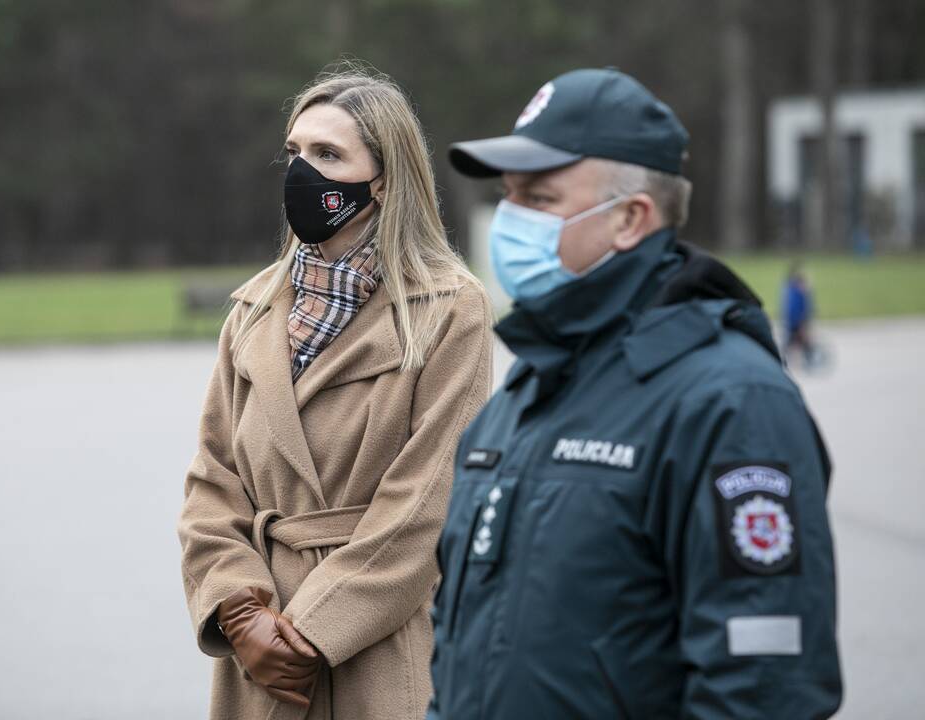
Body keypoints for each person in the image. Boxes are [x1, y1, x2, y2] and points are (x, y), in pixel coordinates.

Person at [428, 68, 842, 719]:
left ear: (629, 218)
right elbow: (459, 655)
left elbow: (764, 693)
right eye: (507, 196)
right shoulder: (525, 393)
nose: (509, 220)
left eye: (538, 199)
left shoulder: (730, 402)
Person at [177, 66, 493, 720]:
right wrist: (240, 612)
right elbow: (213, 483)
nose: (302, 171)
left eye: (328, 155)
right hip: (260, 655)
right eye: (294, 152)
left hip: (376, 645)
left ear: (383, 177)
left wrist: (314, 631)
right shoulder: (253, 312)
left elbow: (425, 503)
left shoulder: (451, 311)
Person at [781, 260, 819, 368]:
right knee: (799, 342)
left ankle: (807, 360)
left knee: (795, 342)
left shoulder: (789, 287)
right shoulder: (797, 290)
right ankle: (807, 361)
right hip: (797, 321)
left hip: (795, 320)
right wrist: (802, 322)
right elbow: (799, 308)